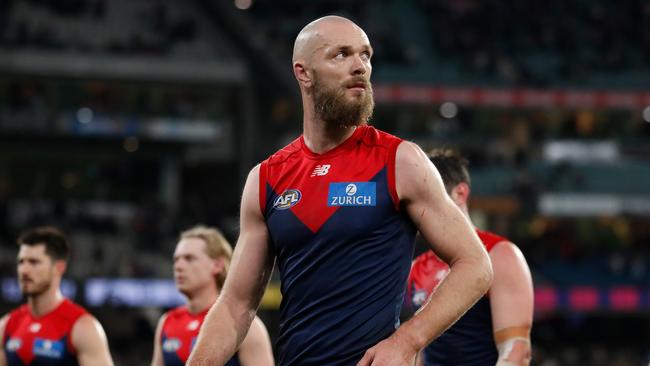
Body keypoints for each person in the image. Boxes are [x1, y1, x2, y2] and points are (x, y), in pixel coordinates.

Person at [187, 15, 493, 366]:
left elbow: (475, 264)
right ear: (303, 73)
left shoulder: (400, 161)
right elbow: (235, 306)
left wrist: (408, 340)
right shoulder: (266, 178)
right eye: (341, 55)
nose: (360, 66)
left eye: (366, 55)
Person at [405, 149, 534, 366]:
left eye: (431, 196)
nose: (420, 209)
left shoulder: (501, 255)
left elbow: (516, 351)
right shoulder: (417, 267)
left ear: (460, 193)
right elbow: (423, 350)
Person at [151, 226, 274, 366]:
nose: (178, 266)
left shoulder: (245, 325)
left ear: (217, 265)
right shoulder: (167, 322)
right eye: (176, 259)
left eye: (189, 258)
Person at [0, 226, 114, 366]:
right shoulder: (7, 325)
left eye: (34, 262)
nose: (24, 270)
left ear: (59, 268)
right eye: (21, 262)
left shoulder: (83, 328)